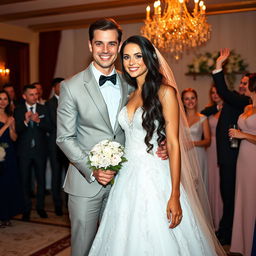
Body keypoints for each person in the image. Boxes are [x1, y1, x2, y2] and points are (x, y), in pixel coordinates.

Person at [88, 35, 225, 256]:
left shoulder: (165, 92)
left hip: (155, 174)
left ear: (149, 58)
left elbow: (173, 143)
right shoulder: (130, 95)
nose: (131, 62)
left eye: (137, 56)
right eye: (126, 57)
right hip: (126, 177)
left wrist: (174, 195)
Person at [57, 19, 167, 256]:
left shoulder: (131, 81)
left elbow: (149, 117)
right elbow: (64, 138)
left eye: (111, 44)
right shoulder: (71, 86)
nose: (105, 50)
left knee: (120, 246)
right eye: (99, 44)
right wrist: (92, 168)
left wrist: (162, 142)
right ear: (90, 46)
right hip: (86, 184)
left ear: (118, 47)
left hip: (126, 181)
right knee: (83, 249)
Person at [211, 48, 251, 245]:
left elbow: (223, 92)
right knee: (227, 195)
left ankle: (228, 233)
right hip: (226, 157)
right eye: (242, 83)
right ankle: (227, 231)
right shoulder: (239, 100)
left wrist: (219, 66)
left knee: (230, 195)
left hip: (234, 156)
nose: (242, 86)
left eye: (245, 84)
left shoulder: (244, 101)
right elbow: (215, 104)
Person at [14, 84, 51, 221]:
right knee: (25, 181)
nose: (35, 97)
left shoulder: (43, 108)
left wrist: (38, 121)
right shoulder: (18, 110)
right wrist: (25, 121)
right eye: (31, 94)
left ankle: (40, 207)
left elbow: (50, 127)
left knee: (41, 180)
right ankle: (26, 209)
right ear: (24, 96)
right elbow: (16, 130)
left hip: (40, 151)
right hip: (24, 152)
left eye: (36, 94)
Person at [228, 73, 256, 256]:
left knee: (252, 199)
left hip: (254, 157)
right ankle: (241, 244)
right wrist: (238, 134)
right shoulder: (247, 106)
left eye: (247, 84)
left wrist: (243, 135)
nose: (243, 86)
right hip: (243, 157)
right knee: (243, 198)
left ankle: (252, 246)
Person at [201, 85, 223, 231]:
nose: (215, 95)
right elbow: (201, 114)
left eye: (217, 92)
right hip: (209, 151)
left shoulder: (229, 109)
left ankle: (221, 219)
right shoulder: (210, 110)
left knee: (220, 184)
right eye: (212, 93)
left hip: (221, 150)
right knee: (210, 183)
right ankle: (212, 221)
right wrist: (216, 108)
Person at [46, 77, 68, 216]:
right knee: (55, 175)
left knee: (68, 176)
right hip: (55, 145)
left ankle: (68, 202)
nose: (63, 88)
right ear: (54, 88)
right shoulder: (49, 104)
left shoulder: (69, 100)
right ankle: (57, 204)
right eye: (60, 86)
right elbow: (55, 122)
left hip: (69, 144)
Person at [0, 90, 22, 227]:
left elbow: (14, 138)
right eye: (0, 98)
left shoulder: (9, 115)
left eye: (5, 99)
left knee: (9, 183)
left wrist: (12, 128)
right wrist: (7, 125)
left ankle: (6, 216)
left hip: (9, 153)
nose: (2, 101)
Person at [181, 88, 210, 188]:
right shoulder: (179, 118)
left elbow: (207, 140)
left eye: (192, 98)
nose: (190, 101)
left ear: (196, 100)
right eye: (187, 99)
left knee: (198, 185)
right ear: (183, 102)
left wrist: (193, 143)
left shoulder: (203, 118)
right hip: (184, 155)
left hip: (198, 155)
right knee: (186, 185)